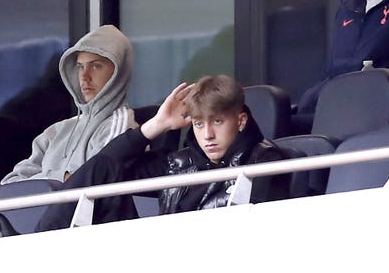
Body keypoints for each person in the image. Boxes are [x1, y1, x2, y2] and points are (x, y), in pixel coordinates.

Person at [26, 74, 290, 232]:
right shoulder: (179, 163)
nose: (207, 134)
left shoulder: (265, 161)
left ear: (240, 121)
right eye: (199, 124)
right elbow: (106, 166)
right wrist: (156, 125)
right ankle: (35, 245)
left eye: (217, 122)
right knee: (100, 170)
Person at [0, 24, 137, 184]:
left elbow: (92, 181)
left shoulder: (121, 126)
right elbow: (9, 184)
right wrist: (61, 178)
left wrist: (40, 182)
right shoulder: (56, 131)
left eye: (96, 66)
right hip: (40, 209)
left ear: (118, 72)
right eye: (80, 67)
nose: (84, 77)